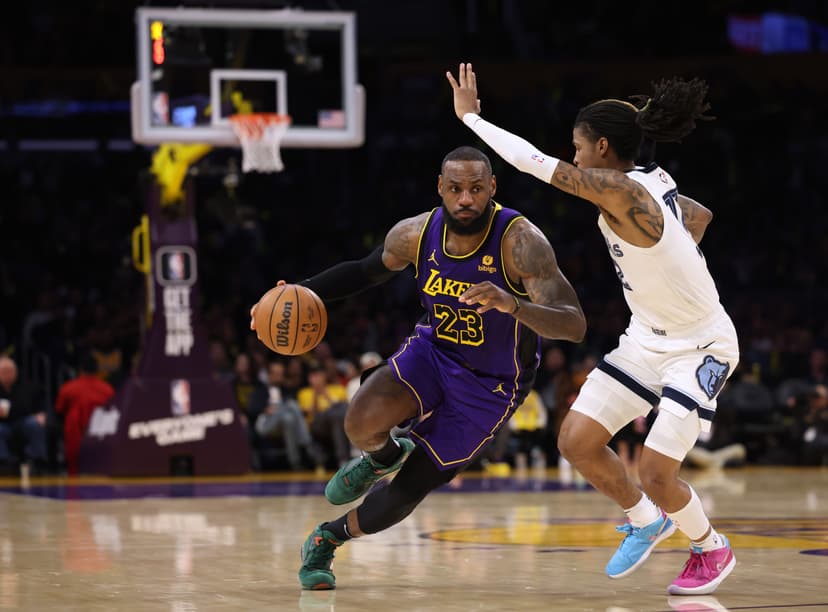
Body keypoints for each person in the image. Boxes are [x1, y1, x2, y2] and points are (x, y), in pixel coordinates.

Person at [448, 64, 739, 595]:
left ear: (603, 147)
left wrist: (471, 119)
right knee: (576, 440)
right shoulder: (654, 181)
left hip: (701, 347)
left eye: (578, 147)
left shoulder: (621, 190)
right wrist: (674, 262)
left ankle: (710, 546)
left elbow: (532, 162)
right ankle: (646, 520)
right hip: (647, 337)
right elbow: (699, 216)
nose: (574, 157)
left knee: (656, 471)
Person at [249, 146, 586, 590]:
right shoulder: (415, 234)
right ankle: (384, 456)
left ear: (492, 188)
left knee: (407, 491)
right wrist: (294, 292)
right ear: (440, 188)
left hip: (492, 386)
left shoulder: (520, 243)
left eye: (476, 189)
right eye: (456, 188)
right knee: (359, 421)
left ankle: (327, 538)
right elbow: (364, 271)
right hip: (434, 353)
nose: (466, 199)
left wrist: (513, 304)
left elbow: (574, 324)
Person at [54, 353, 115, 475]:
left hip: (75, 434)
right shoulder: (108, 389)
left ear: (80, 369)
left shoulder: (68, 388)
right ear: (97, 370)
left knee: (74, 471)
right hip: (99, 436)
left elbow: (59, 410)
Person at [0, 355, 49, 474]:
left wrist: (41, 415)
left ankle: (36, 460)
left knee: (33, 423)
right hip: (2, 424)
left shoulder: (27, 386)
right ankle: (4, 462)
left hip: (22, 421)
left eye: (11, 371)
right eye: (4, 371)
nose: (8, 374)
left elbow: (31, 407)